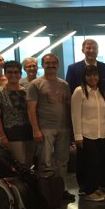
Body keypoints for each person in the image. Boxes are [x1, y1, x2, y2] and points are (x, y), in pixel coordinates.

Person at [27, 53, 75, 201]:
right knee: (45, 162)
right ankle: (46, 192)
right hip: (45, 128)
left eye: (54, 63)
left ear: (58, 65)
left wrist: (72, 129)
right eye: (48, 63)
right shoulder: (35, 84)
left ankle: (61, 189)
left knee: (62, 161)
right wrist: (35, 129)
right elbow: (31, 109)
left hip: (64, 127)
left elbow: (69, 106)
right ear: (42, 65)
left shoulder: (64, 84)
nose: (51, 65)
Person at [71, 65, 105, 201]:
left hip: (101, 134)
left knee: (99, 163)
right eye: (89, 75)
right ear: (84, 77)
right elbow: (75, 115)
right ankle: (88, 191)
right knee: (89, 163)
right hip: (86, 134)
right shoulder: (79, 91)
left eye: (95, 75)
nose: (92, 78)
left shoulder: (101, 91)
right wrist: (77, 135)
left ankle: (95, 188)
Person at [0, 61, 34, 166]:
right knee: (19, 165)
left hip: (30, 134)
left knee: (31, 164)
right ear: (5, 74)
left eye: (16, 72)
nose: (13, 75)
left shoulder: (28, 91)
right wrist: (2, 136)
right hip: (12, 136)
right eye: (10, 72)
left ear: (20, 74)